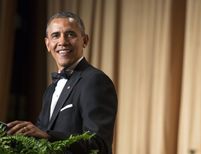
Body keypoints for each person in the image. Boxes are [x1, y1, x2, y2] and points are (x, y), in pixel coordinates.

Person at [6, 11, 118, 154]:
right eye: (55, 35)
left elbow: (99, 144)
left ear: (85, 40)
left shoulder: (95, 81)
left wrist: (49, 136)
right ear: (47, 44)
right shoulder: (50, 90)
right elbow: (39, 140)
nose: (63, 42)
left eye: (70, 34)